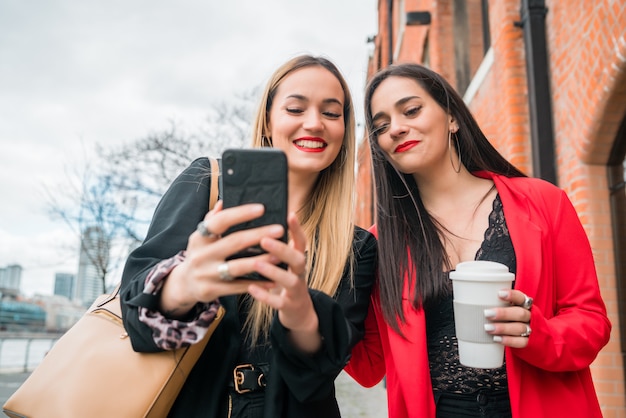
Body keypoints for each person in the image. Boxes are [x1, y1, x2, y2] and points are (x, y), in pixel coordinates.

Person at [344, 63, 611, 418]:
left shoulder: (544, 203)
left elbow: (591, 320)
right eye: (381, 126)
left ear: (452, 118)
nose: (396, 128)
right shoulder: (379, 244)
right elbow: (368, 367)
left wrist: (538, 333)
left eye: (411, 110)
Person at [119, 55, 377, 418]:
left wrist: (299, 307)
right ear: (269, 121)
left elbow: (318, 377)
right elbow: (136, 322)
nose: (315, 123)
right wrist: (185, 283)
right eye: (295, 108)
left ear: (344, 130)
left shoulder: (358, 248)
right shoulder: (207, 187)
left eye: (332, 113)